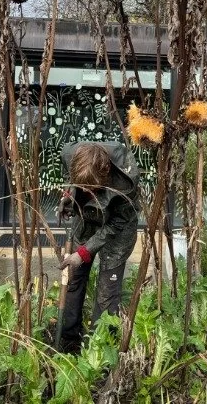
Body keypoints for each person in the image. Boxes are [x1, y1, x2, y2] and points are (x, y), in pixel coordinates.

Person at [58, 140, 140, 352]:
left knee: (107, 292)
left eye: (90, 188)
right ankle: (68, 340)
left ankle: (97, 350)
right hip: (86, 216)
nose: (85, 190)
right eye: (82, 186)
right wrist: (69, 196)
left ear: (104, 177)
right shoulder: (69, 153)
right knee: (74, 278)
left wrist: (84, 252)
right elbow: (69, 178)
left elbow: (118, 223)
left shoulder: (126, 182)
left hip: (118, 227)